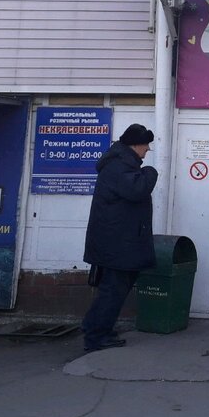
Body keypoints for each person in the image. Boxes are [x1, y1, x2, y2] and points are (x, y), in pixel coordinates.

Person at [81, 123, 158, 352]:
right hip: (117, 244)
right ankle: (96, 335)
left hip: (117, 242)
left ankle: (96, 328)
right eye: (146, 146)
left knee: (114, 290)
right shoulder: (120, 167)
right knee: (113, 291)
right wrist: (151, 172)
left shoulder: (121, 164)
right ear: (137, 145)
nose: (147, 151)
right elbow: (137, 190)